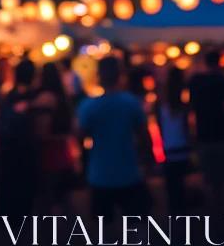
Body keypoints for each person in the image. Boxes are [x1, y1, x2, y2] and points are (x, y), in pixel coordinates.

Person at [78, 56, 153, 222]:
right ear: (120, 75)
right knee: (135, 227)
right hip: (129, 172)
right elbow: (144, 137)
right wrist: (148, 163)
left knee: (104, 230)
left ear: (99, 76)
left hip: (100, 174)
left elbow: (80, 136)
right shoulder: (132, 103)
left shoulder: (88, 106)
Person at [189, 49, 224, 209]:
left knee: (210, 180)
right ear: (220, 62)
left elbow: (190, 108)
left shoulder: (195, 82)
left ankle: (215, 218)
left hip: (204, 134)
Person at [0, 58, 38, 222]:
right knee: (24, 186)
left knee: (10, 185)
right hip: (26, 149)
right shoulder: (34, 97)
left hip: (8, 149)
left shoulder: (8, 95)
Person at [33, 62, 78, 209]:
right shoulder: (63, 99)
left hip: (48, 155)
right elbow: (73, 127)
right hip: (64, 154)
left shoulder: (44, 99)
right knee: (65, 202)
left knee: (48, 202)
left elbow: (42, 132)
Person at [156, 67, 190, 212]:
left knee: (172, 187)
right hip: (183, 147)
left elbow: (160, 128)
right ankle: (184, 217)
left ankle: (175, 218)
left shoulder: (160, 106)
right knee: (182, 185)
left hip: (168, 148)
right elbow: (186, 128)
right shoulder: (183, 106)